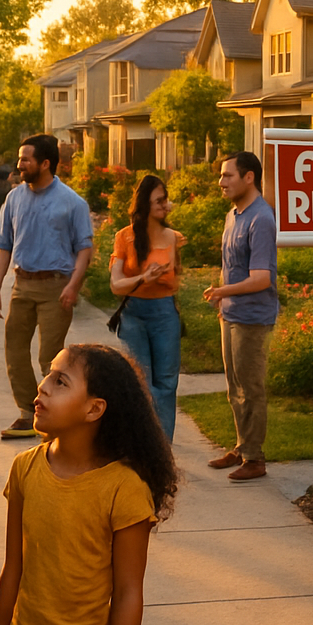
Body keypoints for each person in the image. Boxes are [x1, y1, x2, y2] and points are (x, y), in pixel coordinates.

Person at [0, 344, 177, 625]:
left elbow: (129, 594)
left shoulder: (124, 488)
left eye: (61, 382)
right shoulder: (24, 469)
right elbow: (12, 570)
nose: (43, 385)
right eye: (48, 374)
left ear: (94, 409)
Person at [0, 135, 95, 440]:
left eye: (26, 159)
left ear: (45, 163)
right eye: (20, 158)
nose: (19, 164)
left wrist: (73, 286)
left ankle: (56, 416)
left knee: (50, 358)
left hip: (56, 287)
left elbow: (84, 250)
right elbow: (4, 247)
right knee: (15, 349)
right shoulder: (14, 198)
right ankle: (27, 412)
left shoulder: (71, 202)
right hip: (22, 285)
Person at [202, 151, 278, 482]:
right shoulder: (234, 214)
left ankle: (255, 458)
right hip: (230, 314)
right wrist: (223, 297)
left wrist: (223, 292)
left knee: (251, 388)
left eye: (228, 175)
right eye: (221, 175)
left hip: (252, 317)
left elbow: (262, 278)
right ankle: (241, 446)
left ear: (249, 177)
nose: (221, 181)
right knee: (234, 387)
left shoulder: (261, 218)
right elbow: (231, 267)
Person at [110, 175, 186, 440]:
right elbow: (116, 284)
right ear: (144, 204)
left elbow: (176, 278)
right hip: (134, 314)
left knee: (166, 384)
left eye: (166, 199)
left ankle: (163, 450)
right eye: (159, 200)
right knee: (141, 383)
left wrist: (165, 276)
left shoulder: (174, 237)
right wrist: (143, 278)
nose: (165, 205)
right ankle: (145, 445)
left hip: (165, 313)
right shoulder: (125, 237)